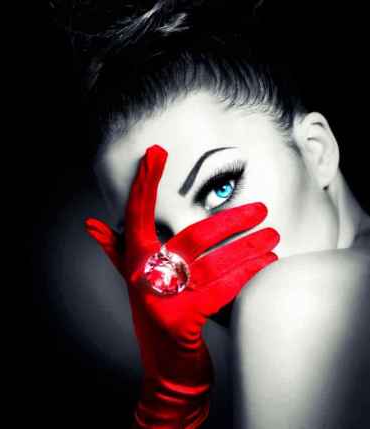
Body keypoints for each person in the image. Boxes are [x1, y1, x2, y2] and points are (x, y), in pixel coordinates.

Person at [80, 1, 370, 427]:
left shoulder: (291, 298)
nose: (189, 264)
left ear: (316, 150)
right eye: (156, 240)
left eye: (221, 187)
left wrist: (169, 407)